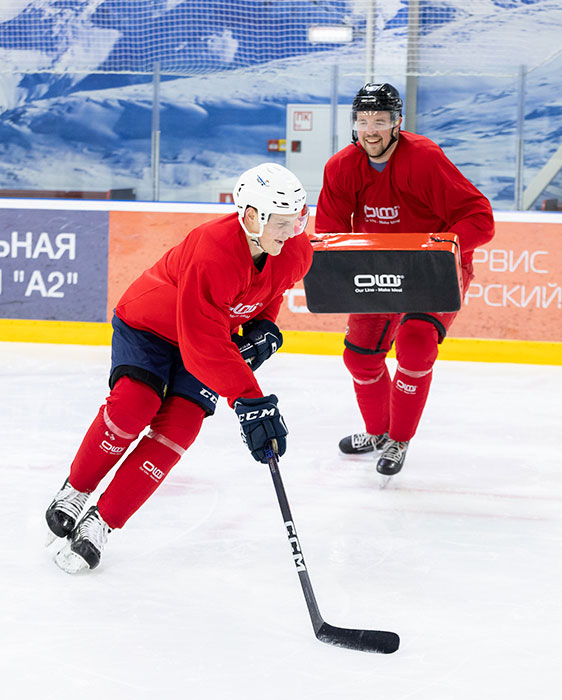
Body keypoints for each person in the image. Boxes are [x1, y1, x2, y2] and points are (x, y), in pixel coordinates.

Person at [45, 162, 312, 573]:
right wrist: (250, 400)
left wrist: (265, 326)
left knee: (180, 429)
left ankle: (103, 521)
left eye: (297, 219)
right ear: (251, 216)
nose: (291, 230)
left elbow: (269, 290)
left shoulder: (295, 249)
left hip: (206, 337)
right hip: (150, 327)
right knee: (134, 406)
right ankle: (77, 489)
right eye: (282, 221)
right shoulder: (213, 250)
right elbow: (202, 343)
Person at [315, 83, 495, 477]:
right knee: (359, 356)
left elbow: (480, 218)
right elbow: (329, 235)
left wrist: (437, 250)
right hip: (378, 266)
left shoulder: (424, 159)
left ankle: (399, 438)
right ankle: (377, 433)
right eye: (363, 121)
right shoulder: (341, 167)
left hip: (433, 270)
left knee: (415, 344)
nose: (371, 131)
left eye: (380, 121)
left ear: (397, 123)